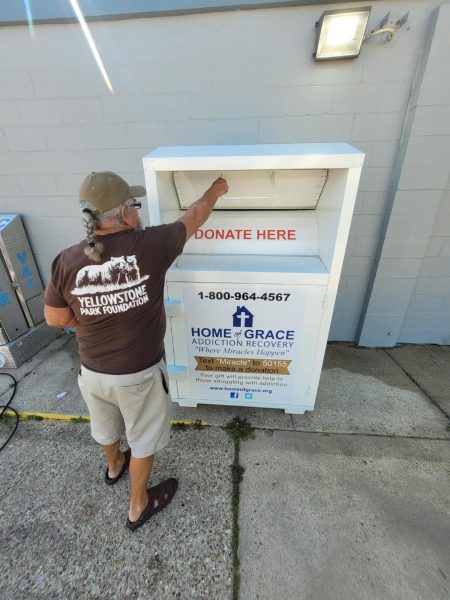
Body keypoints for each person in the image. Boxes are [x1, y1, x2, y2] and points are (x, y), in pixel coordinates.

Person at [44, 170, 228, 531]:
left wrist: (93, 315)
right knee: (143, 439)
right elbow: (195, 215)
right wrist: (217, 189)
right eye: (134, 204)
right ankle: (138, 505)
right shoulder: (151, 245)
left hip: (91, 373)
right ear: (124, 213)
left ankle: (114, 467)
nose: (137, 211)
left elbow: (54, 318)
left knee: (107, 427)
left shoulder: (66, 260)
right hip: (138, 376)